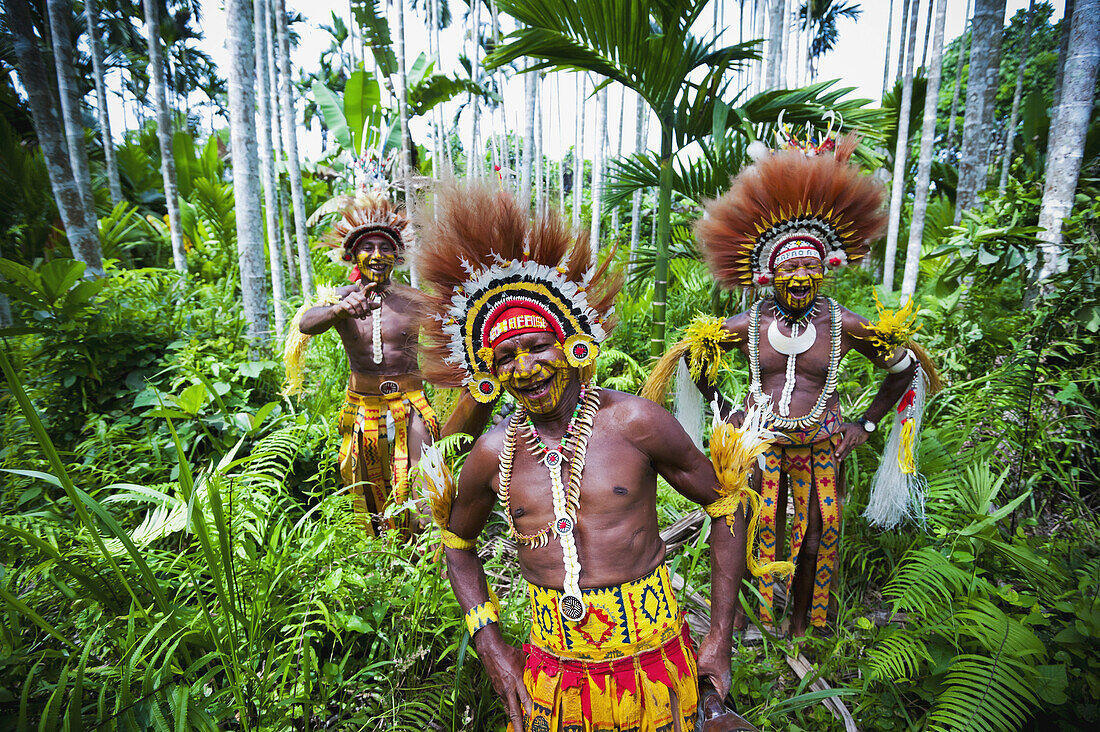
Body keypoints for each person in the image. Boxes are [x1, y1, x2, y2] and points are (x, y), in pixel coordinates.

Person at [413, 184, 762, 732]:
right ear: (490, 372)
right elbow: (458, 546)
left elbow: (726, 504)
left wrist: (719, 636)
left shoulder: (635, 423)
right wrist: (492, 644)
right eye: (506, 357)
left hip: (656, 660)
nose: (524, 368)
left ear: (575, 347)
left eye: (538, 347)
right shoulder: (490, 453)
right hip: (553, 673)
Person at [644, 133, 934, 638]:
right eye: (789, 267)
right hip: (763, 447)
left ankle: (803, 626)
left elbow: (906, 368)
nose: (800, 276)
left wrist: (865, 423)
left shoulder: (847, 323)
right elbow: (695, 359)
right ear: (768, 273)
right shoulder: (746, 324)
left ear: (826, 268)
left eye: (810, 266)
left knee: (819, 536)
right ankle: (753, 623)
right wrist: (728, 410)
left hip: (822, 445)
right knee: (757, 528)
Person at [283, 194, 439, 535]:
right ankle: (380, 551)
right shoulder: (339, 298)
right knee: (368, 482)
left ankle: (426, 551)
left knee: (422, 475)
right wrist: (338, 311)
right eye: (367, 247)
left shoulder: (414, 300)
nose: (377, 255)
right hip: (362, 404)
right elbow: (306, 324)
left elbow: (451, 331)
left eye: (385, 248)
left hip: (411, 403)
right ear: (352, 255)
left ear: (396, 257)